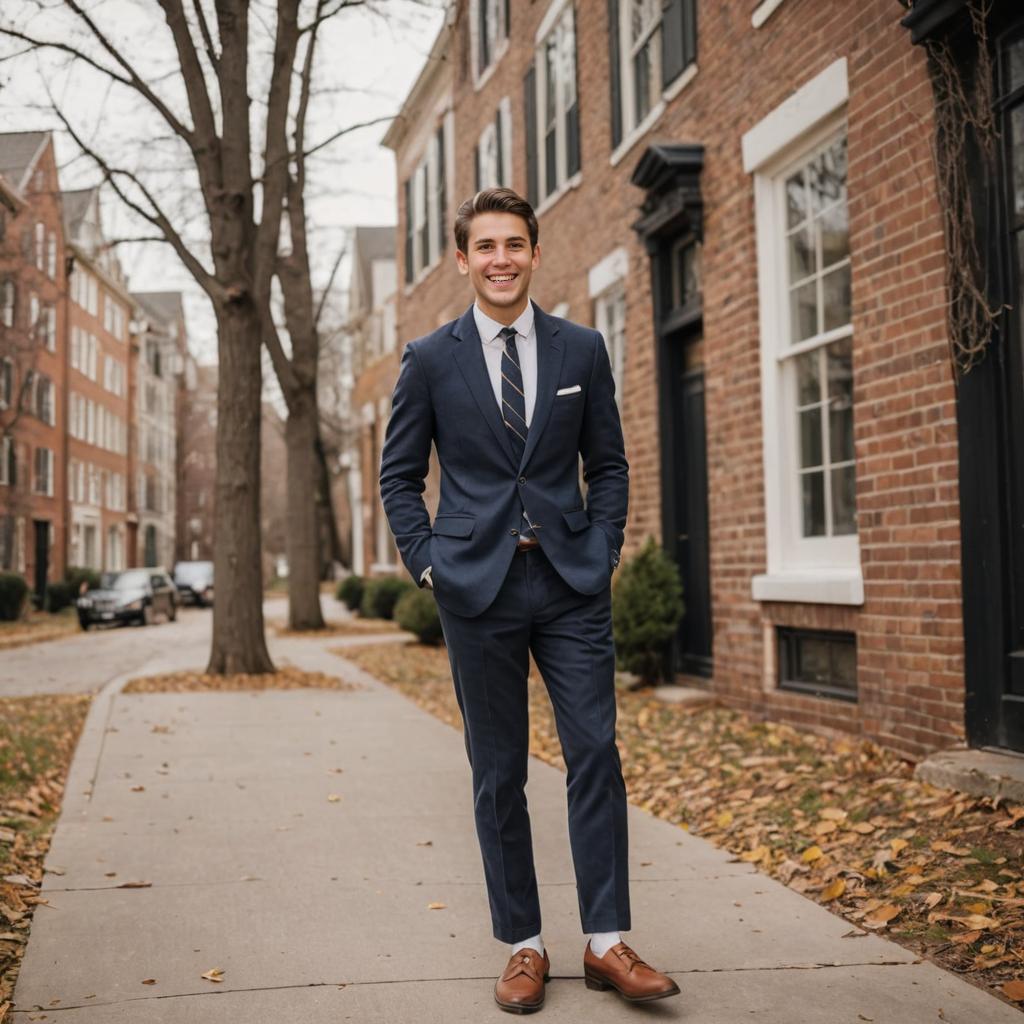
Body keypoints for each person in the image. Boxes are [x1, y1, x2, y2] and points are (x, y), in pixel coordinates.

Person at [380, 187, 679, 1013]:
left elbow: (608, 463)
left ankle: (607, 940)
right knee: (498, 773)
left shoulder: (581, 349)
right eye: (486, 246)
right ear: (463, 260)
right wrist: (428, 564)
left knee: (596, 756)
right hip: (476, 589)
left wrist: (606, 545)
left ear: (535, 253)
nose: (501, 259)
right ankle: (524, 945)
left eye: (515, 244)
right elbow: (400, 476)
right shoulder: (430, 358)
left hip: (571, 583)